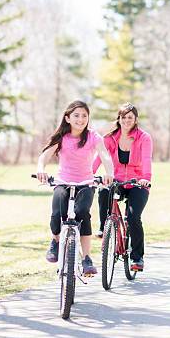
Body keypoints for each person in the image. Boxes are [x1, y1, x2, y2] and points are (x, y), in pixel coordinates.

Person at [36, 100, 114, 275]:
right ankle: (56, 241)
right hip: (63, 181)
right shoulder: (61, 137)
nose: (81, 119)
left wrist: (109, 173)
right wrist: (41, 170)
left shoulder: (93, 136)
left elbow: (105, 156)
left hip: (86, 183)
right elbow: (44, 156)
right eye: (76, 115)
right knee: (57, 213)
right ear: (68, 118)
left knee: (83, 214)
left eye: (84, 115)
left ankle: (86, 258)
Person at [93, 103, 152, 272]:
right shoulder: (110, 138)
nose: (127, 120)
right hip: (116, 180)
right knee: (104, 190)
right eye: (123, 117)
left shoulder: (144, 138)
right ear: (118, 119)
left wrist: (145, 179)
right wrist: (89, 175)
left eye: (130, 117)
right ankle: (104, 227)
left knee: (133, 218)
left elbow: (147, 160)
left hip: (137, 183)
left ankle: (137, 257)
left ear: (135, 120)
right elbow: (99, 159)